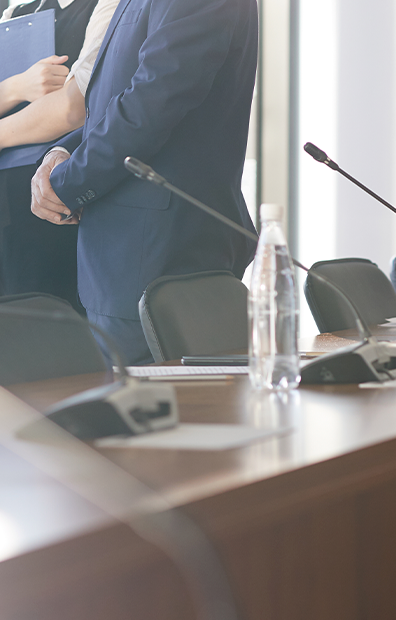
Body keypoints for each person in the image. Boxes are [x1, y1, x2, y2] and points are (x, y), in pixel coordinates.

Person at [31, 0, 259, 365]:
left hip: (158, 252)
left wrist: (66, 185)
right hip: (128, 255)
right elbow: (116, 101)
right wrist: (60, 153)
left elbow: (152, 102)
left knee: (170, 416)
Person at [0, 0, 118, 313]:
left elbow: (73, 108)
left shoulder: (108, 5)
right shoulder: (19, 12)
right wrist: (17, 86)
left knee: (59, 351)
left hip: (58, 214)